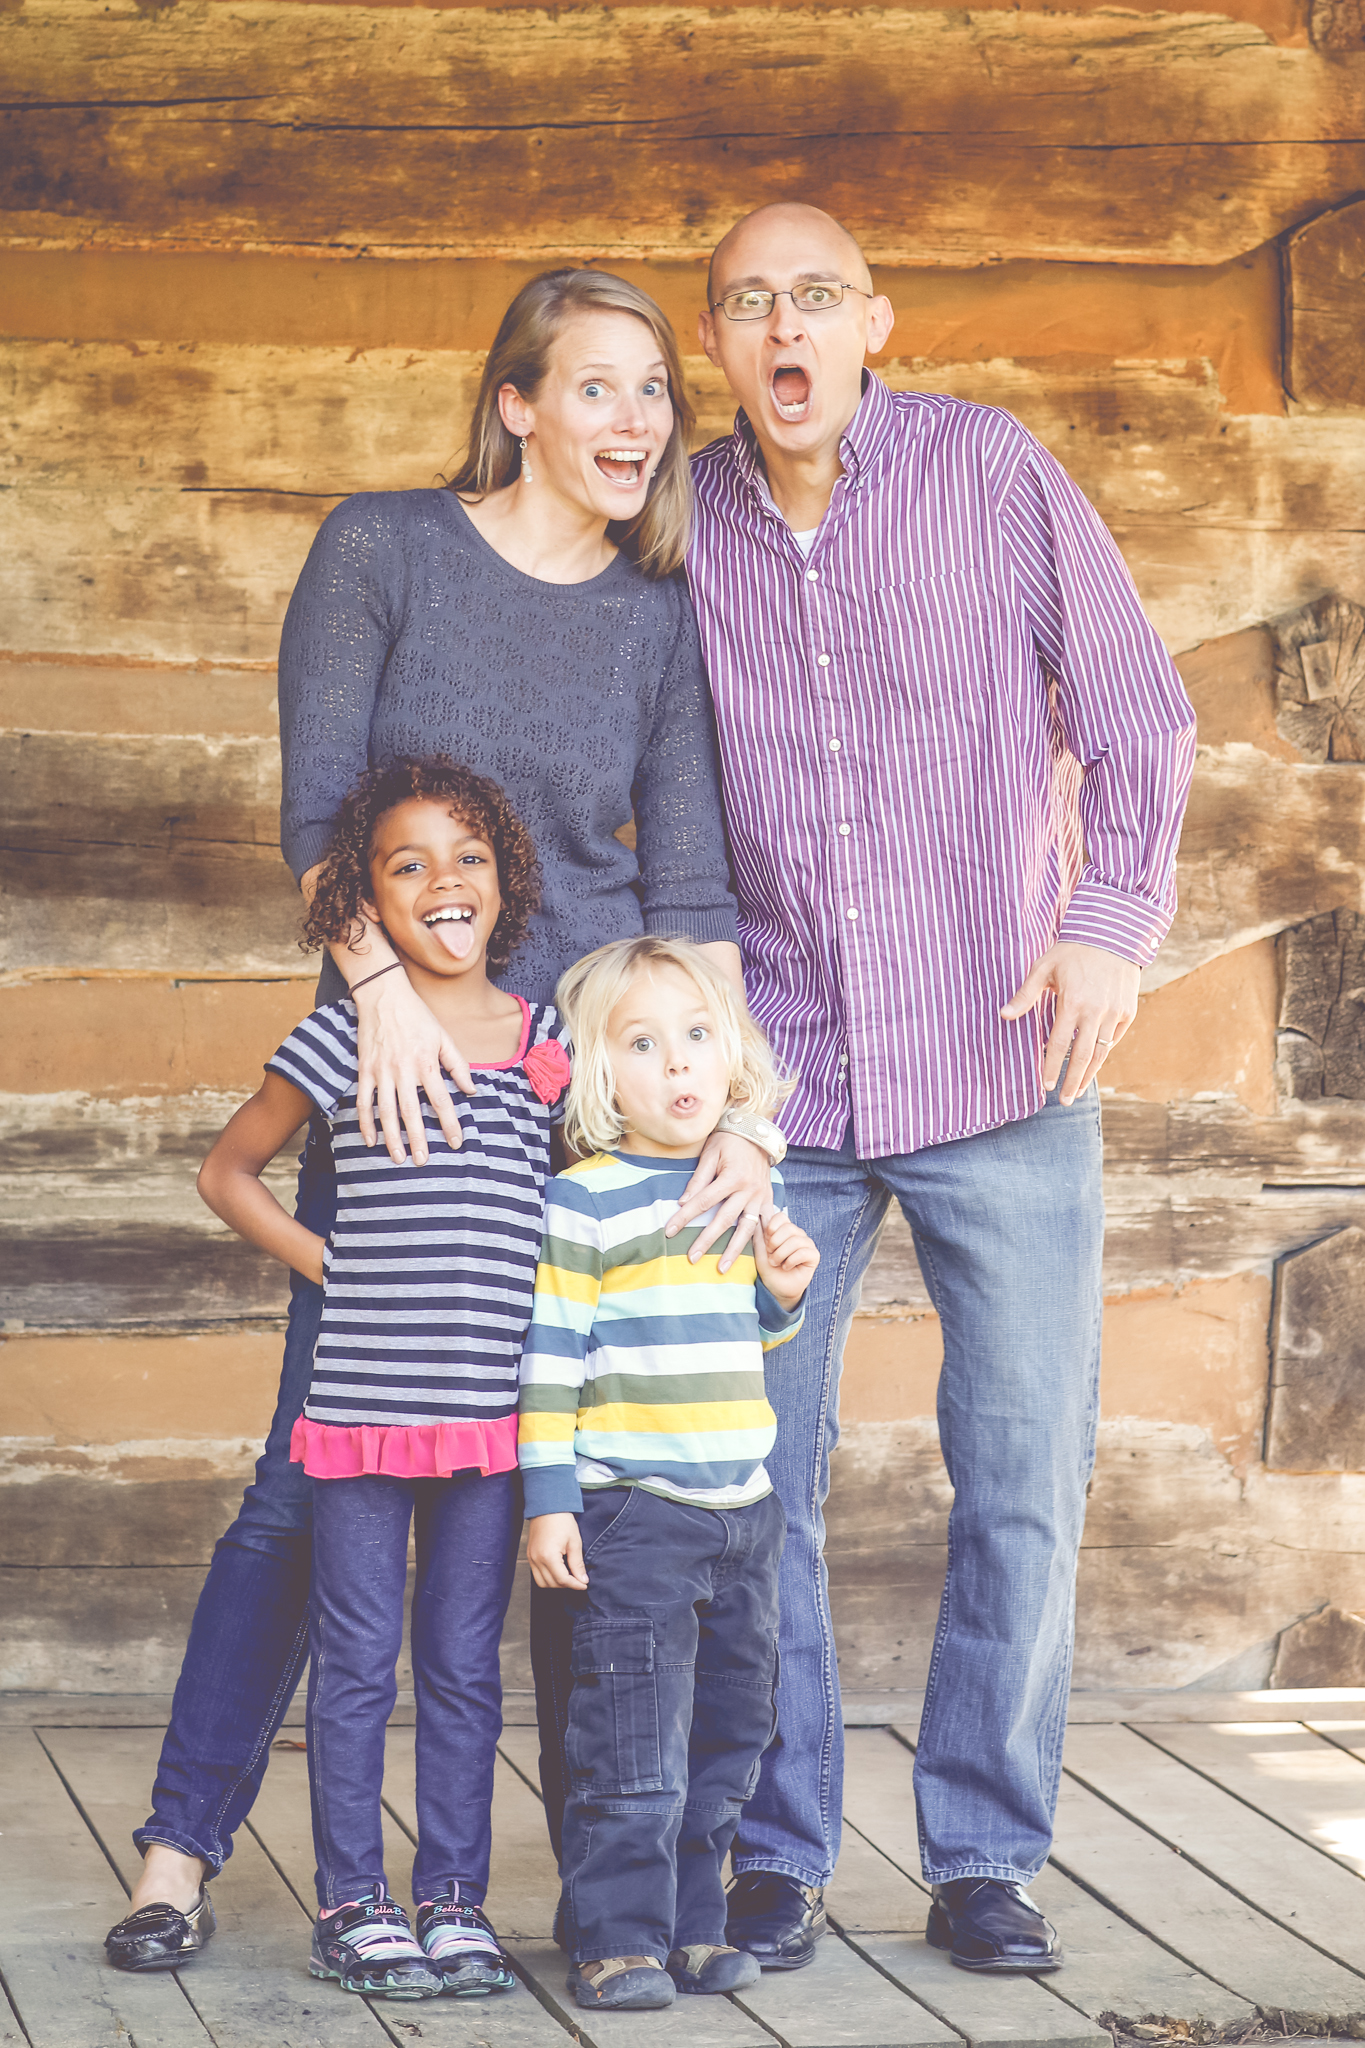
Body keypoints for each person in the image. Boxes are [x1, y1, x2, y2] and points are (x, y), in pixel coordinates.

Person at [106, 268, 769, 1971]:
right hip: (403, 1096)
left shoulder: (653, 616)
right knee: (305, 1476)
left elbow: (689, 889)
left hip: (585, 1108)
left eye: (654, 391)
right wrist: (377, 993)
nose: (637, 420)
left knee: (570, 1485)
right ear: (517, 404)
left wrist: (739, 1111)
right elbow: (321, 811)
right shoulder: (382, 548)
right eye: (599, 385)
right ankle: (178, 1849)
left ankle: (583, 1903)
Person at [670, 202, 1199, 1976]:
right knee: (753, 1471)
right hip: (773, 1086)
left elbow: (1137, 713)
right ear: (717, 340)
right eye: (750, 303)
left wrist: (1110, 930)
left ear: (875, 321)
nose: (785, 328)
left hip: (1004, 1054)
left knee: (1024, 1469)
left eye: (815, 295)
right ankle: (772, 1848)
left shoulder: (992, 472)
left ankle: (985, 1853)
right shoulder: (679, 521)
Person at [192, 756, 571, 2000]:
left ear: (506, 882)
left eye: (469, 857)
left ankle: (454, 1899)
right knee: (357, 1664)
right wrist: (329, 1262)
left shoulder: (547, 1042)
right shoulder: (343, 1034)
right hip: (357, 1414)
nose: (443, 882)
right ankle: (352, 1903)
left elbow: (596, 1188)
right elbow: (227, 1171)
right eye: (407, 864)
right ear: (364, 898)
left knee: (463, 1666)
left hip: (491, 1423)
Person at [519, 937, 819, 2011]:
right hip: (635, 1511)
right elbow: (550, 1361)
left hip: (744, 1510)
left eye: (696, 1035)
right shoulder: (586, 1201)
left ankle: (694, 1924)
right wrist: (549, 1500)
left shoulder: (734, 1186)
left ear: (731, 1055)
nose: (678, 1062)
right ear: (599, 1073)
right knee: (631, 1737)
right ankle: (616, 1938)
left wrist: (779, 1296)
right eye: (642, 1044)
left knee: (727, 1734)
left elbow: (736, 1337)